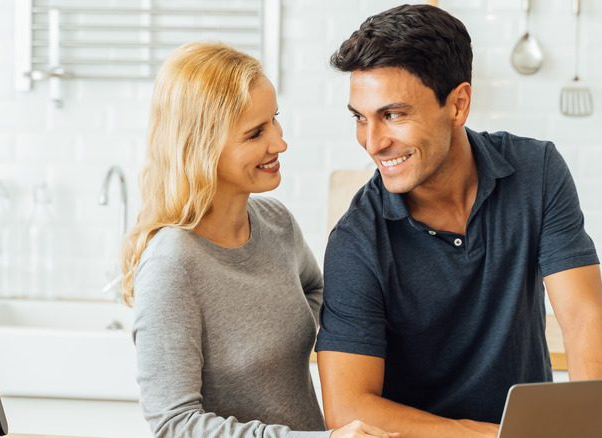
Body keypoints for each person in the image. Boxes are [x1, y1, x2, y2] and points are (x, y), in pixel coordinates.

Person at [316, 4, 602, 438]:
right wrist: (496, 436)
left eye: (393, 114)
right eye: (360, 117)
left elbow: (583, 316)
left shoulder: (537, 171)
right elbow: (347, 408)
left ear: (459, 104)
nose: (372, 142)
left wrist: (589, 423)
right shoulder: (356, 240)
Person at [120, 41, 399, 438]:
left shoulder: (275, 222)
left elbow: (318, 293)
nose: (279, 143)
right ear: (202, 147)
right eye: (255, 134)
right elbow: (174, 423)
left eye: (275, 120)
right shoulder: (173, 265)